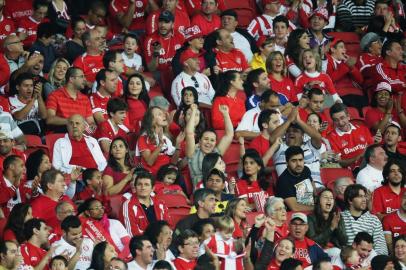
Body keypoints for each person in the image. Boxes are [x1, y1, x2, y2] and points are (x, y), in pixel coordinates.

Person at [271, 107, 324, 188]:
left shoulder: (309, 145)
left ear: (303, 135)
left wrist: (298, 120)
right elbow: (272, 138)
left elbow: (317, 136)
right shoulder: (280, 146)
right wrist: (288, 120)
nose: (291, 133)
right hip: (292, 191)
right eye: (288, 131)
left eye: (295, 131)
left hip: (318, 189)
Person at [185, 103, 233, 186]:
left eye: (212, 140)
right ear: (199, 141)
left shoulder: (216, 152)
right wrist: (193, 112)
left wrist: (225, 114)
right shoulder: (193, 153)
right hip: (203, 193)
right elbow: (189, 133)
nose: (209, 142)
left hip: (221, 190)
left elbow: (229, 135)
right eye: (206, 139)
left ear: (215, 143)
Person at [120, 171, 171, 237]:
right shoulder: (128, 206)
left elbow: (168, 226)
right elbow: (132, 235)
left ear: (153, 188)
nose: (143, 188)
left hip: (162, 241)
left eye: (146, 184)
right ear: (135, 187)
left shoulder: (160, 203)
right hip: (143, 244)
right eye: (139, 184)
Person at [341, 184, 388, 255]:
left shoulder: (373, 219)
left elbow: (381, 247)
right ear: (350, 200)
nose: (364, 200)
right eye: (360, 196)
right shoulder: (340, 217)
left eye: (364, 196)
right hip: (346, 257)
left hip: (368, 259)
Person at [327, 103, 375, 170]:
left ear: (348, 116)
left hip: (372, 165)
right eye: (336, 120)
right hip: (352, 172)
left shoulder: (363, 129)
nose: (340, 123)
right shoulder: (330, 138)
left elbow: (373, 150)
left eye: (342, 118)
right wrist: (359, 156)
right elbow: (340, 163)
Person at [46, 67, 95, 132]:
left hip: (82, 135)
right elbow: (50, 119)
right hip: (61, 135)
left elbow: (90, 121)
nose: (85, 80)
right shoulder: (54, 95)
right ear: (71, 79)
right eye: (81, 76)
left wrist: (92, 126)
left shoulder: (85, 99)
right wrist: (72, 121)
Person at [136, 106, 180, 175]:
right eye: (159, 114)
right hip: (152, 175)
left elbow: (173, 162)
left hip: (167, 174)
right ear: (152, 120)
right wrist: (160, 145)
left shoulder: (165, 138)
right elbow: (150, 162)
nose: (164, 115)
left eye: (163, 113)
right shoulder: (143, 138)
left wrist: (178, 145)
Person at [306, 188, 347, 253]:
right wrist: (331, 228)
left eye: (331, 198)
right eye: (325, 197)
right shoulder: (310, 218)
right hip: (318, 252)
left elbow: (344, 241)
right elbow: (312, 241)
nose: (329, 200)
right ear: (318, 200)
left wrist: (337, 228)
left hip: (336, 250)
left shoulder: (337, 216)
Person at [276, 146, 315, 211]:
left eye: (300, 160)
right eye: (294, 161)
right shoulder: (283, 181)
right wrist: (317, 208)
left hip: (311, 210)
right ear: (287, 163)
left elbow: (314, 193)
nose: (298, 164)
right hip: (294, 216)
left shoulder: (305, 170)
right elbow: (295, 207)